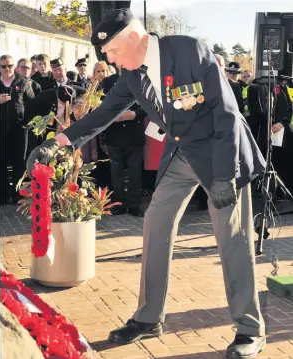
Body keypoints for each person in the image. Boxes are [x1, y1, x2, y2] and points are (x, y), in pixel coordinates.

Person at [27, 9, 266, 359]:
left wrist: (226, 176)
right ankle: (148, 318)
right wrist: (57, 143)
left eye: (111, 50)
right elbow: (103, 114)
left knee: (232, 239)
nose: (108, 59)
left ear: (135, 38)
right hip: (182, 154)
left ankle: (250, 330)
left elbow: (226, 112)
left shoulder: (188, 51)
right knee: (155, 226)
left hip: (219, 154)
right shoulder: (131, 75)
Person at [102, 73, 146, 216]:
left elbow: (149, 105)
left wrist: (135, 114)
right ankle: (118, 204)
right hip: (114, 135)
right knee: (116, 174)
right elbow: (102, 105)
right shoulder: (109, 82)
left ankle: (134, 205)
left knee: (135, 173)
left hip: (134, 135)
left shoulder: (140, 81)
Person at [0, 54, 35, 204]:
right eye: (3, 66)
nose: (7, 69)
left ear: (15, 67)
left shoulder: (23, 82)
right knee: (1, 162)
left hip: (19, 130)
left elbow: (32, 104)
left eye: (10, 66)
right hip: (0, 130)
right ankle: (2, 196)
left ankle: (18, 195)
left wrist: (27, 124)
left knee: (19, 162)